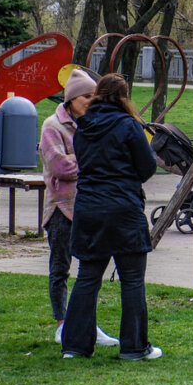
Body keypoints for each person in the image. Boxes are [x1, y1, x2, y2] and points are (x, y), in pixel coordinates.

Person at [62, 73, 160, 360]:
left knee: (87, 278)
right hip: (123, 209)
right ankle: (134, 347)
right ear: (123, 97)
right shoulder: (129, 126)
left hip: (89, 209)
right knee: (132, 279)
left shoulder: (83, 128)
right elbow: (147, 167)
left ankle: (76, 346)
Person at [39, 68, 118, 347]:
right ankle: (62, 324)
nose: (91, 101)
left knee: (89, 271)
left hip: (89, 207)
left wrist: (83, 160)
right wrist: (93, 161)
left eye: (94, 96)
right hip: (62, 208)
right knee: (60, 268)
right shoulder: (52, 126)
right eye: (86, 96)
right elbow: (60, 168)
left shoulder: (92, 123)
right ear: (71, 98)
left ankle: (87, 323)